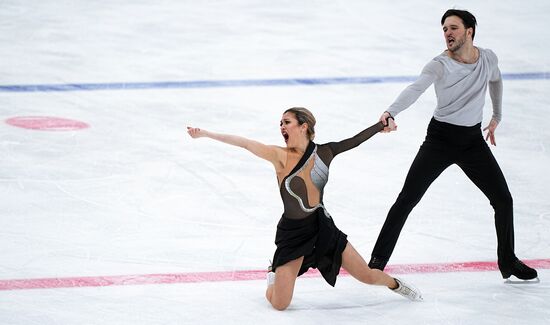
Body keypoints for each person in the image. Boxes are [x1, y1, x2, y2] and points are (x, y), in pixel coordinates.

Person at [187, 107, 422, 311]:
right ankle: (273, 275)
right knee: (280, 304)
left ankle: (397, 285)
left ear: (303, 126)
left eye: (286, 122)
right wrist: (206, 134)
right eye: (280, 123)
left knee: (367, 275)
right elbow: (247, 143)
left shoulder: (325, 152)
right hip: (294, 233)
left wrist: (380, 126)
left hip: (321, 227)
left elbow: (355, 140)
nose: (281, 126)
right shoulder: (279, 156)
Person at [369, 9, 538, 282]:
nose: (448, 33)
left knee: (503, 200)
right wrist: (390, 113)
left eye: (453, 28)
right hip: (440, 140)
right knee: (407, 199)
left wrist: (496, 116)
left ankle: (508, 261)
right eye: (445, 29)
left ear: (469, 31)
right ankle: (377, 262)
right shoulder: (439, 64)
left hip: (472, 141)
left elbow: (495, 79)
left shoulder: (488, 58)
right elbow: (415, 89)